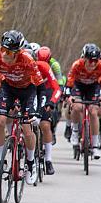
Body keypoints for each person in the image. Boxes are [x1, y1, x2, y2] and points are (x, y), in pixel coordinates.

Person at [0, 30, 44, 185]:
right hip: (8, 88)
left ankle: (31, 163)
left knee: (26, 127)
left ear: (18, 52)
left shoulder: (27, 60)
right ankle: (2, 162)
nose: (6, 54)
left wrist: (38, 112)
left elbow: (40, 87)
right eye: (3, 49)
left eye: (10, 52)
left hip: (28, 90)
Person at [64, 43, 101, 159]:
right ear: (84, 58)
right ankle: (74, 131)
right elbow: (69, 82)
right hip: (78, 86)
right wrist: (68, 95)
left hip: (93, 87)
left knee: (94, 112)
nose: (93, 63)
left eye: (95, 61)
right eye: (90, 60)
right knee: (77, 107)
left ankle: (94, 146)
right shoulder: (77, 65)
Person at [29, 45, 62, 175]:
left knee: (45, 124)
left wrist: (52, 102)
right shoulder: (28, 65)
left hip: (46, 92)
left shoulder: (48, 66)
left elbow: (58, 88)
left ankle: (48, 160)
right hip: (31, 91)